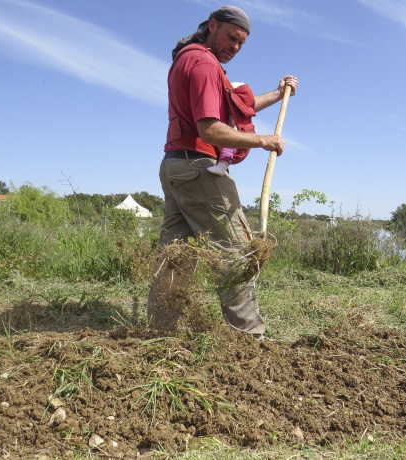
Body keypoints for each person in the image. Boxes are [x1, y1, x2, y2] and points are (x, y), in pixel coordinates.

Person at [147, 5, 298, 340]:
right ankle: (248, 340)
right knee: (239, 254)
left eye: (242, 43)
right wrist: (264, 140)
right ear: (212, 26)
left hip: (175, 167)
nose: (235, 47)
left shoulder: (189, 58)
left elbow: (236, 107)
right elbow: (210, 130)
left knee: (175, 255)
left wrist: (278, 93)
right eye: (232, 37)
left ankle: (161, 332)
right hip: (199, 168)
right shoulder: (203, 63)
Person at [207, 82, 243, 176]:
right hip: (225, 137)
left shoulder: (237, 112)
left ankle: (222, 166)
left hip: (232, 138)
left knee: (228, 149)